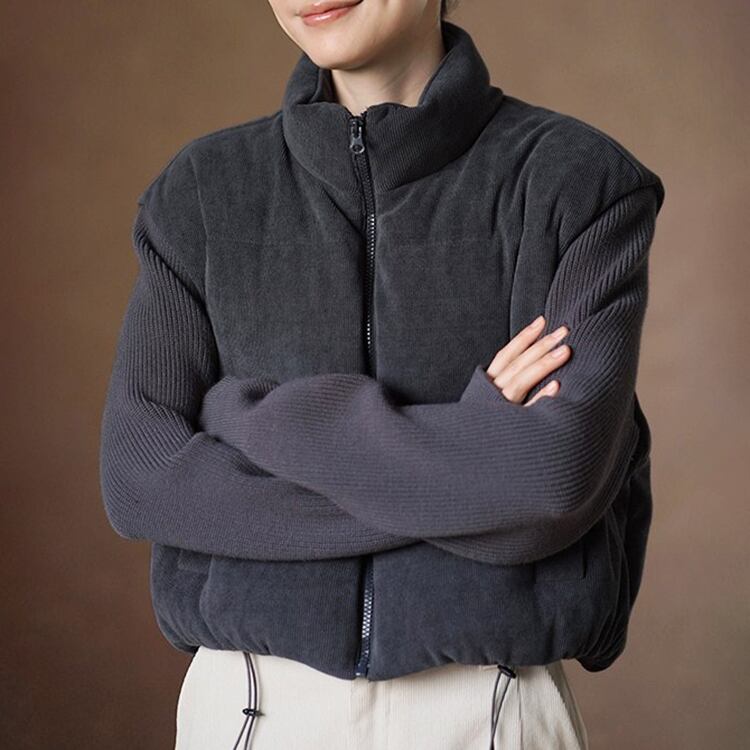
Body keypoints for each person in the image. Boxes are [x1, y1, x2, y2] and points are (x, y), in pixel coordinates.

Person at [100, 0, 665, 748]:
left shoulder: (580, 183)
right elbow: (142, 481)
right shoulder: (200, 193)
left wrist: (257, 425)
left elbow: (551, 481)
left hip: (492, 713)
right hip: (247, 713)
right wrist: (472, 473)